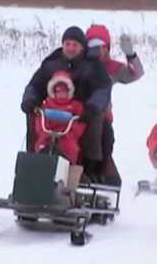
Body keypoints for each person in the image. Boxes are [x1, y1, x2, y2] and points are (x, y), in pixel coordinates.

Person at [21, 26, 112, 182]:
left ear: (82, 47)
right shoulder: (52, 63)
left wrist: (92, 107)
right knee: (33, 116)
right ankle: (34, 160)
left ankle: (88, 169)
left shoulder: (92, 65)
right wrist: (30, 100)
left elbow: (103, 88)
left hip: (81, 113)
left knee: (96, 121)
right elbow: (36, 84)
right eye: (67, 44)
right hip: (54, 108)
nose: (70, 48)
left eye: (75, 45)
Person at [85, 24, 145, 186]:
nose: (98, 51)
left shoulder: (111, 67)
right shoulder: (81, 64)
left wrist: (130, 55)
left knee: (105, 146)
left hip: (104, 118)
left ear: (108, 47)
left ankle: (105, 176)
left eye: (102, 46)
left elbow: (136, 74)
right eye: (93, 46)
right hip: (81, 116)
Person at [33, 71, 85, 165]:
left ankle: (67, 166)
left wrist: (72, 132)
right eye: (58, 91)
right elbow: (40, 118)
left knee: (69, 147)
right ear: (53, 91)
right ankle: (40, 165)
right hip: (48, 133)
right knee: (42, 145)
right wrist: (43, 131)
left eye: (64, 91)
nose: (61, 94)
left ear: (69, 91)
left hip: (67, 134)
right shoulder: (48, 104)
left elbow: (80, 121)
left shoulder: (75, 105)